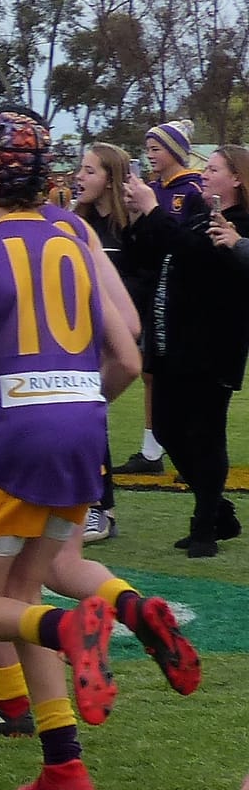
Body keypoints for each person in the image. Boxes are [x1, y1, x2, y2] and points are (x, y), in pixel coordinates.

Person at [0, 110, 172, 790]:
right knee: (22, 597)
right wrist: (80, 404)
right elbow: (128, 354)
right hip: (81, 427)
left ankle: (73, 628)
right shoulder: (73, 229)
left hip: (11, 434)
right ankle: (65, 767)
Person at [122, 144, 249, 556]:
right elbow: (153, 254)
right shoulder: (201, 216)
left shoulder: (240, 225)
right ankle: (218, 510)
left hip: (213, 348)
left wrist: (154, 210)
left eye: (213, 169)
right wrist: (140, 216)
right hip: (172, 343)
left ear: (237, 178)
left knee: (206, 434)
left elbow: (194, 255)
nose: (204, 174)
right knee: (165, 428)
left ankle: (205, 526)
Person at [115, 120, 209, 474]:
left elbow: (187, 246)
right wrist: (134, 217)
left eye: (156, 149)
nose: (150, 155)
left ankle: (188, 449)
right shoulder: (151, 188)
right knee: (151, 372)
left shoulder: (193, 190)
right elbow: (145, 247)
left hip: (182, 295)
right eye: (148, 149)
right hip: (153, 290)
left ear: (175, 150)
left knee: (179, 375)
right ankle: (152, 450)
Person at [72, 144, 141, 543]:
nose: (79, 177)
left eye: (89, 171)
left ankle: (102, 508)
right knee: (84, 417)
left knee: (92, 416)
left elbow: (138, 287)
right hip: (79, 338)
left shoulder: (129, 227)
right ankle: (87, 504)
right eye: (80, 169)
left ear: (111, 179)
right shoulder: (75, 224)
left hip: (116, 342)